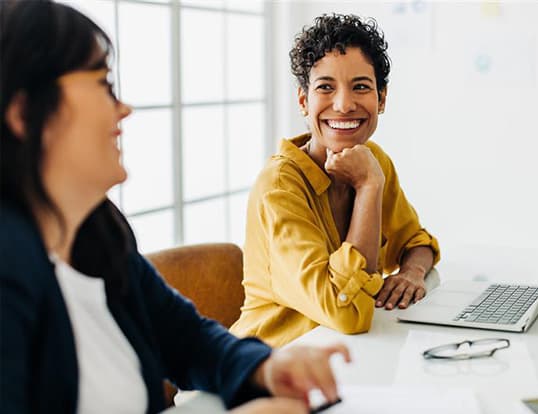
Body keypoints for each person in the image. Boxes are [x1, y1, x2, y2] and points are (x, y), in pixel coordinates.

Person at [0, 2, 350, 413]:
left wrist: (268, 367)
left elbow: (186, 338)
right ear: (24, 113)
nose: (124, 108)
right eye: (103, 85)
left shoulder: (98, 233)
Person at [230, 14, 440, 347]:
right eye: (326, 87)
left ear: (381, 99)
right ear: (303, 100)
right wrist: (369, 187)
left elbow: (415, 241)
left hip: (343, 358)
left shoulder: (374, 159)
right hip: (269, 366)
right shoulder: (280, 186)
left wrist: (410, 273)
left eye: (361, 87)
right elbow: (346, 311)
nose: (343, 105)